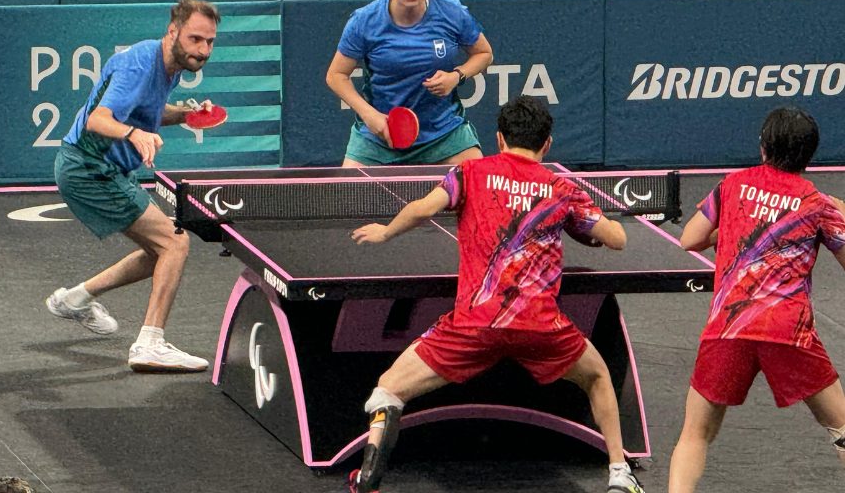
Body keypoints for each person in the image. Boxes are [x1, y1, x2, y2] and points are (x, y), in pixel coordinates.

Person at [348, 97, 643, 493]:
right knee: (597, 375)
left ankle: (368, 477)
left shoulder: (470, 172)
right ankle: (619, 475)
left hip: (474, 325)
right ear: (548, 144)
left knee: (388, 388)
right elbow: (617, 239)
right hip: (540, 326)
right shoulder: (562, 189)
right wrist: (575, 226)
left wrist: (384, 231)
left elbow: (422, 208)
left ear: (500, 138)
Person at [669, 107, 845, 492]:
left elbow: (690, 239)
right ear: (810, 156)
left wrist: (733, 226)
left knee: (695, 434)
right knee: (842, 427)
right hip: (788, 332)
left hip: (729, 327)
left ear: (764, 147)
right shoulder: (820, 204)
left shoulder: (732, 185)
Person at [46, 0, 219, 373]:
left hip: (104, 168)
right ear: (172, 32)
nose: (203, 50)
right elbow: (98, 119)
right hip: (89, 167)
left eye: (209, 42)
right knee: (176, 241)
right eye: (195, 39)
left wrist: (185, 115)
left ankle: (76, 299)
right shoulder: (140, 63)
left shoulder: (169, 66)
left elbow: (149, 112)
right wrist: (135, 133)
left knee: (162, 250)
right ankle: (150, 343)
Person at [325, 0, 493, 167]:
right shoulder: (364, 21)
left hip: (443, 132)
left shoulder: (452, 13)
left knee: (477, 186)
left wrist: (456, 76)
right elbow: (336, 75)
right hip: (381, 135)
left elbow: (484, 54)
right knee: (349, 198)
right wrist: (368, 114)